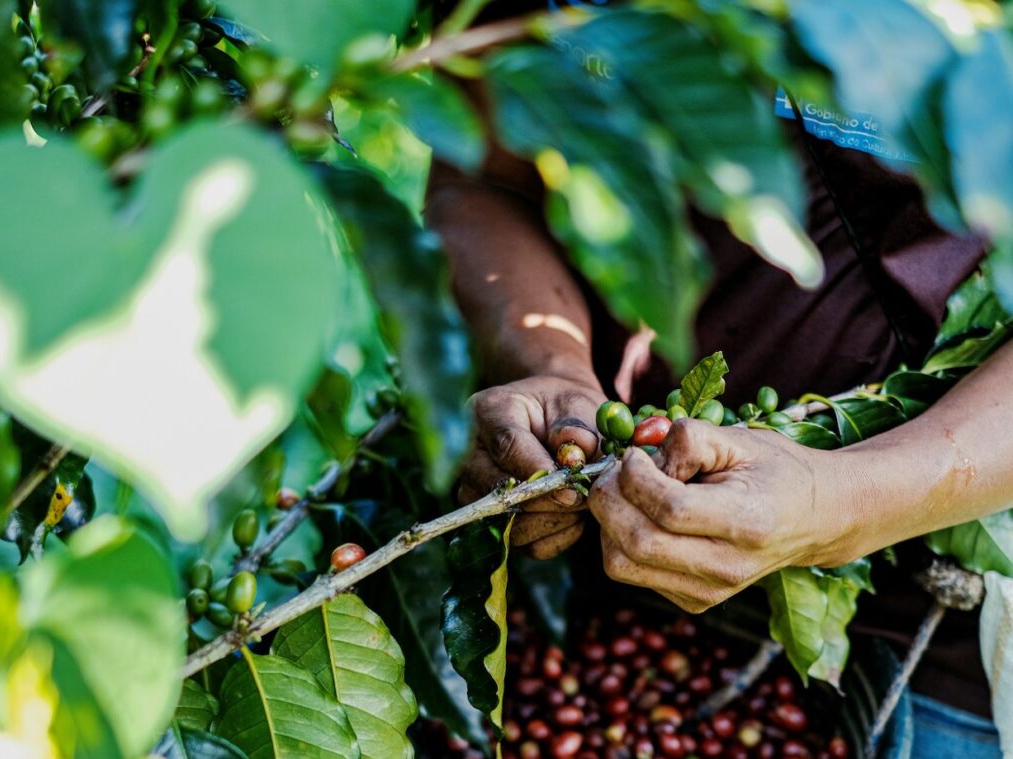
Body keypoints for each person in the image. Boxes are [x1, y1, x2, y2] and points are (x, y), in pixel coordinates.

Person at [424, 7, 1011, 757]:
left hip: (944, 638)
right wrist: (548, 363)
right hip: (606, 567)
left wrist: (842, 504)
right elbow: (484, 174)